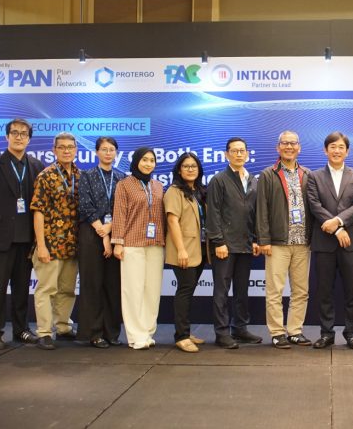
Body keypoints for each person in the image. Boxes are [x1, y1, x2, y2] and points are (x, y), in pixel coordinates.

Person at [0, 118, 44, 350]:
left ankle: (21, 330)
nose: (19, 137)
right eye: (15, 133)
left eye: (24, 133)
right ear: (7, 136)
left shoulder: (36, 166)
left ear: (29, 139)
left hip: (27, 238)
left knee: (22, 289)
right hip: (1, 238)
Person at [306, 131, 353, 350]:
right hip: (324, 242)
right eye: (332, 147)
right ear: (325, 150)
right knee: (324, 291)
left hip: (351, 241)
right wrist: (336, 229)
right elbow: (314, 205)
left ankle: (352, 334)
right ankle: (326, 334)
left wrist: (338, 222)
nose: (337, 150)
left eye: (341, 147)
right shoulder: (314, 176)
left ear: (347, 151)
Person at [256, 131, 313, 349]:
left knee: (301, 291)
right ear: (278, 147)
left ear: (299, 147)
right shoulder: (268, 174)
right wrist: (264, 239)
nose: (289, 147)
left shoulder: (307, 174)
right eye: (285, 143)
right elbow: (261, 209)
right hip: (278, 242)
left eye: (293, 143)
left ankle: (295, 331)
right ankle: (277, 332)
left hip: (302, 242)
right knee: (275, 291)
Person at [206, 138, 262, 349]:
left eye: (242, 151)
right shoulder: (219, 180)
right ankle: (222, 333)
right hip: (225, 246)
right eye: (234, 151)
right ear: (226, 154)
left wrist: (255, 239)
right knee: (221, 292)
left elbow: (255, 213)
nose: (239, 154)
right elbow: (213, 213)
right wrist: (218, 241)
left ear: (247, 153)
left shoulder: (253, 180)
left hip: (246, 244)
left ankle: (240, 328)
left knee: (242, 290)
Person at [30, 131, 82, 350]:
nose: (66, 151)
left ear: (76, 150)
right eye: (62, 147)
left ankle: (63, 327)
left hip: (72, 244)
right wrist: (41, 245)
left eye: (70, 147)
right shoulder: (46, 176)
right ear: (54, 150)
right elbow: (38, 211)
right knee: (47, 289)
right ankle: (44, 332)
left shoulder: (80, 176)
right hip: (50, 243)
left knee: (67, 289)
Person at [111, 147, 165, 350]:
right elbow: (119, 214)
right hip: (131, 243)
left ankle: (148, 332)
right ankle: (135, 335)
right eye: (144, 160)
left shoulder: (158, 186)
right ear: (136, 162)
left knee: (152, 291)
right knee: (133, 291)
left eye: (152, 160)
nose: (148, 164)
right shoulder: (124, 185)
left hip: (155, 243)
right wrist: (118, 242)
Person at [76, 137, 125, 348]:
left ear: (116, 153)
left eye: (111, 149)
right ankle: (94, 333)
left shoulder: (122, 178)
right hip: (91, 233)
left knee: (113, 285)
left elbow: (123, 209)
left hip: (116, 233)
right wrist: (102, 232)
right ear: (96, 152)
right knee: (92, 284)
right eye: (104, 149)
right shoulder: (86, 176)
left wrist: (110, 230)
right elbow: (84, 205)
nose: (108, 153)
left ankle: (111, 332)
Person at [164, 152, 208, 353]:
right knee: (184, 290)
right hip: (184, 250)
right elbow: (172, 221)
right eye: (186, 166)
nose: (190, 169)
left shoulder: (199, 191)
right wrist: (181, 250)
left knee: (189, 290)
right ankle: (181, 336)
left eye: (194, 166)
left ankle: (186, 331)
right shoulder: (174, 191)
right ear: (179, 170)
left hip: (199, 249)